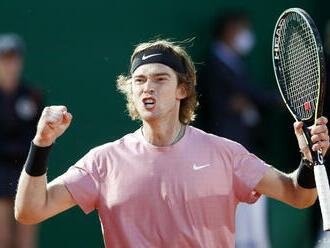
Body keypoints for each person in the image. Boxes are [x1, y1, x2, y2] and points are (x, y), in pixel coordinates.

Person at [14, 39, 329, 248]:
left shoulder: (226, 154)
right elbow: (30, 211)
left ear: (182, 90)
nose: (147, 87)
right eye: (139, 80)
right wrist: (41, 143)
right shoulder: (103, 161)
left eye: (160, 79)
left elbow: (297, 196)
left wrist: (308, 160)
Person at [0, 34, 43, 248]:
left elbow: (40, 135)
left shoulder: (32, 95)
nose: (9, 64)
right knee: (3, 239)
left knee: (25, 242)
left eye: (13, 58)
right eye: (4, 58)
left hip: (27, 174)